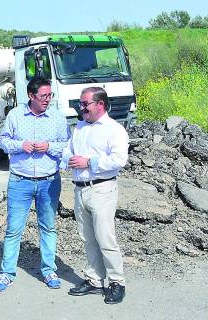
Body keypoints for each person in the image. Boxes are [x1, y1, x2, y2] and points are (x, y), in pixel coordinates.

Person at [0, 77, 70, 292]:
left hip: (49, 182)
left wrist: (49, 146)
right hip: (20, 182)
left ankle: (49, 270)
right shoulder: (15, 116)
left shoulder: (57, 117)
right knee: (14, 229)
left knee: (48, 227)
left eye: (49, 95)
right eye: (43, 96)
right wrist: (21, 145)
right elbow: (3, 141)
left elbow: (66, 145)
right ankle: (7, 273)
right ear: (30, 96)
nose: (48, 100)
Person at [62, 87, 129, 304]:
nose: (81, 108)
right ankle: (95, 280)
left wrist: (89, 162)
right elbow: (67, 151)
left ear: (100, 104)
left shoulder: (114, 130)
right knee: (88, 238)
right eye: (81, 104)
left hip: (102, 189)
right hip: (80, 189)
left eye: (85, 104)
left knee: (105, 238)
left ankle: (117, 282)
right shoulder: (80, 128)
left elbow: (119, 160)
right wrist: (69, 160)